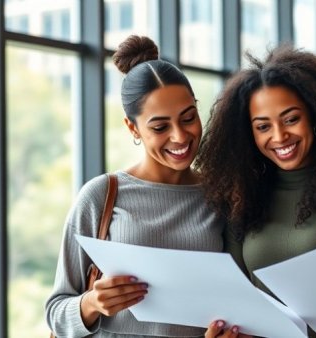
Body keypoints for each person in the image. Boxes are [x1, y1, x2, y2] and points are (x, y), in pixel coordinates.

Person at [45, 35, 237, 337]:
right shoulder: (101, 195)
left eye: (189, 117)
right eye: (160, 127)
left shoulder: (220, 196)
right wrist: (92, 303)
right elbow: (55, 311)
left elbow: (233, 302)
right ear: (132, 127)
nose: (179, 137)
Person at [196, 45, 316, 338]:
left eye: (291, 119)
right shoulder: (242, 196)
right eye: (263, 126)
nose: (279, 136)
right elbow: (235, 299)